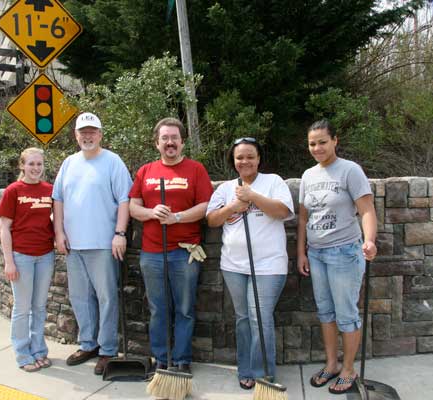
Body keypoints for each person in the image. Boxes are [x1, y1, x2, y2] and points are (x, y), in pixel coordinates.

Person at [206, 137, 294, 390]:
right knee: (243, 318)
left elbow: (283, 212)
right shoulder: (225, 189)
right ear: (233, 161)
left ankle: (263, 373)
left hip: (268, 266)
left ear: (259, 159)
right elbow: (212, 220)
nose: (244, 161)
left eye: (250, 156)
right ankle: (245, 369)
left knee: (260, 317)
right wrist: (234, 206)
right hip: (233, 265)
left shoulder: (273, 182)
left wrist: (252, 196)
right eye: (239, 157)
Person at [297, 120, 377, 395]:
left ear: (335, 141)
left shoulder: (350, 170)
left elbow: (366, 209)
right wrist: (301, 253)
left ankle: (348, 369)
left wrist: (369, 240)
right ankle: (331, 364)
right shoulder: (308, 175)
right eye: (312, 143)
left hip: (344, 252)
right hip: (316, 254)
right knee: (326, 312)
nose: (317, 147)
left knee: (346, 314)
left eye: (322, 141)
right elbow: (304, 218)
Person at [129, 117, 213, 373]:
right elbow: (133, 206)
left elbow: (205, 206)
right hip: (152, 253)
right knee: (158, 309)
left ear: (182, 142)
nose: (169, 142)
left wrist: (177, 217)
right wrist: (152, 213)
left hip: (184, 252)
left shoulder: (196, 169)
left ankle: (182, 359)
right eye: (164, 138)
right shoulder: (146, 171)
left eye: (174, 138)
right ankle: (161, 358)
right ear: (157, 143)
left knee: (185, 309)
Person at [52, 112, 132, 375]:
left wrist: (120, 233)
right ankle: (88, 344)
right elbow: (58, 200)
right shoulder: (68, 163)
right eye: (82, 132)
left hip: (103, 244)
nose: (87, 136)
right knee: (79, 297)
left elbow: (124, 199)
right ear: (76, 135)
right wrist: (59, 233)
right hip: (74, 245)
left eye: (92, 131)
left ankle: (107, 349)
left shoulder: (113, 162)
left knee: (107, 297)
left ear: (100, 134)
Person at [0, 147, 55, 372]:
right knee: (22, 308)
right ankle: (23, 354)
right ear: (22, 165)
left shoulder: (49, 190)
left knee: (39, 307)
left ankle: (39, 351)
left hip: (45, 255)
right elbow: (4, 227)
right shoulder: (13, 191)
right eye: (31, 164)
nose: (35, 168)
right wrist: (8, 261)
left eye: (39, 164)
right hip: (21, 256)